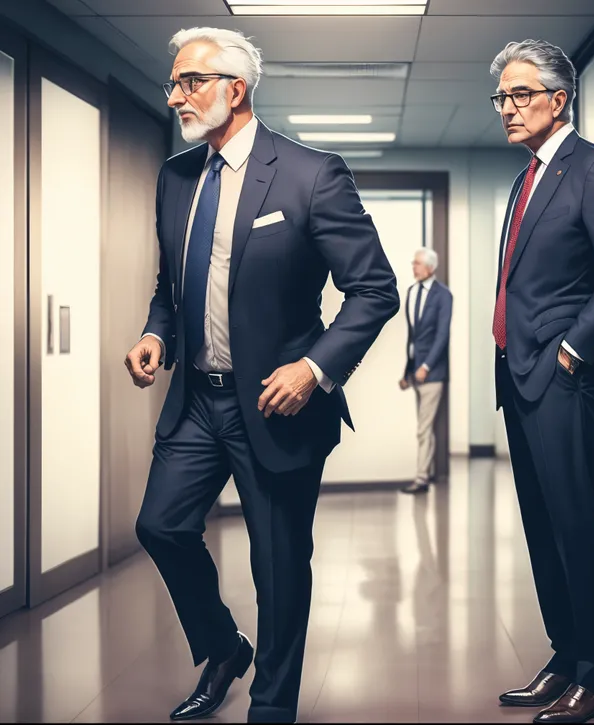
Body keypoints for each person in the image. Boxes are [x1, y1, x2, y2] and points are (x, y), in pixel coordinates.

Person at [124, 27, 399, 725]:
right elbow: (171, 286)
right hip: (196, 401)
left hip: (278, 408)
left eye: (192, 81)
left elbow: (373, 289)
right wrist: (158, 332)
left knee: (278, 568)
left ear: (235, 89)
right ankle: (223, 645)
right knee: (160, 525)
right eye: (174, 83)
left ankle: (271, 708)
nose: (177, 95)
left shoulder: (311, 174)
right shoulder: (176, 178)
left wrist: (315, 368)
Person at [488, 40, 594, 724]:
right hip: (518, 374)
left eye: (521, 94)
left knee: (577, 525)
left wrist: (571, 352)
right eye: (501, 96)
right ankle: (564, 656)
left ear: (560, 99)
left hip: (564, 381)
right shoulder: (527, 178)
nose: (507, 107)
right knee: (542, 526)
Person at [398, 248, 452, 494]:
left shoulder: (443, 296)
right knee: (425, 427)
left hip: (433, 372)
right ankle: (425, 474)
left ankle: (421, 479)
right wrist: (407, 372)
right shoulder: (411, 292)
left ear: (430, 267)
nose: (414, 267)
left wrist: (425, 367)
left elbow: (442, 336)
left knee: (423, 427)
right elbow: (412, 338)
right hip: (416, 373)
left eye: (417, 263)